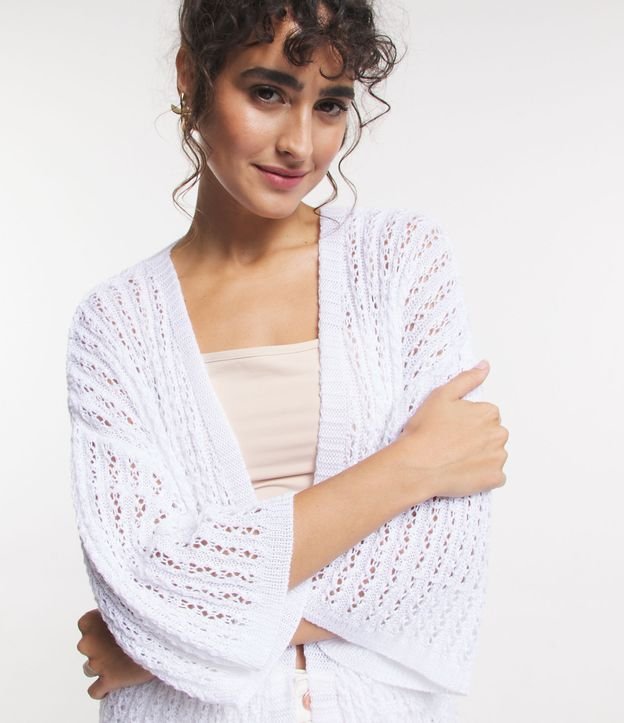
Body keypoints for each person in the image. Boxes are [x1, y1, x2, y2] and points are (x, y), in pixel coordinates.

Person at [67, 2, 508, 722]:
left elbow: (437, 565)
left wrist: (164, 645)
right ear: (192, 76)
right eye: (268, 92)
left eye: (329, 105)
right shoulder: (116, 323)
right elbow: (145, 583)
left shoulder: (400, 261)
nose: (300, 145)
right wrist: (413, 466)